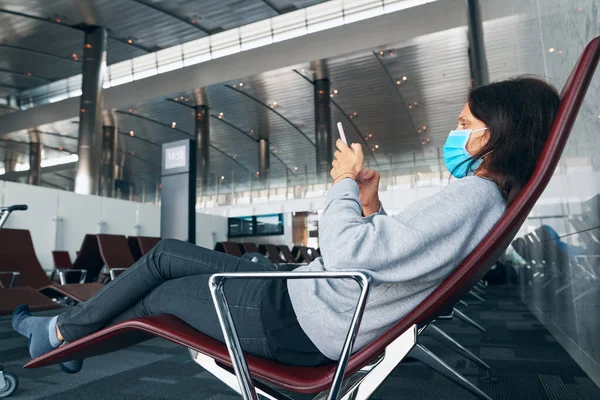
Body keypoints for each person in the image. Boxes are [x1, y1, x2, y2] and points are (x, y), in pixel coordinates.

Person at [12, 76, 560, 373]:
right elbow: (392, 259)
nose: (455, 132)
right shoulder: (485, 202)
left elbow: (350, 257)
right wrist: (370, 202)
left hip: (297, 323)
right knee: (165, 257)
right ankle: (66, 336)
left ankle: (58, 335)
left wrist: (343, 183)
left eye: (465, 123)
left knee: (161, 292)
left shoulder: (472, 197)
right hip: (303, 303)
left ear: (494, 134)